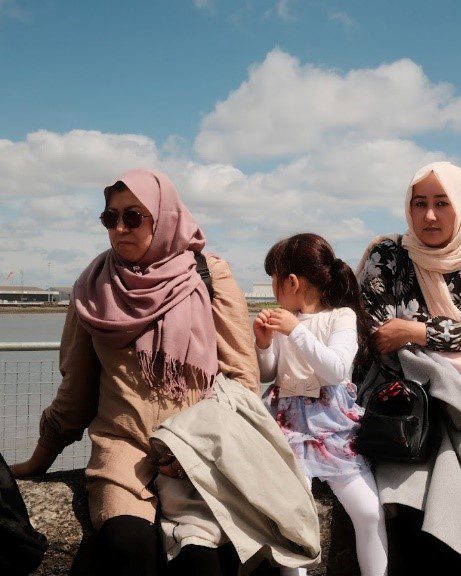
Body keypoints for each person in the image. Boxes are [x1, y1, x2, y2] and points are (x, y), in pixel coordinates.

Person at [10, 169, 260, 576]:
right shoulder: (93, 287)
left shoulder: (208, 276)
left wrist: (201, 446)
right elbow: (76, 391)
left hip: (197, 450)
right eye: (110, 218)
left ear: (163, 217)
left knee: (202, 561)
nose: (120, 228)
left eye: (134, 217)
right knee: (127, 548)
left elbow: (242, 379)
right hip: (123, 452)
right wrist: (38, 461)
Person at [357, 161, 461, 575]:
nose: (428, 215)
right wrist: (436, 335)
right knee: (408, 505)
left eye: (442, 204)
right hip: (400, 398)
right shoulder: (386, 256)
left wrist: (414, 330)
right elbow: (380, 334)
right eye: (419, 203)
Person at [254, 233, 387, 576]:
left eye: (275, 280)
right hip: (286, 422)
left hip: (332, 424)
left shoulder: (340, 316)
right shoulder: (285, 320)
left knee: (369, 511)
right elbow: (270, 373)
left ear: (292, 281)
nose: (274, 290)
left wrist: (294, 330)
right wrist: (264, 344)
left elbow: (336, 369)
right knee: (293, 518)